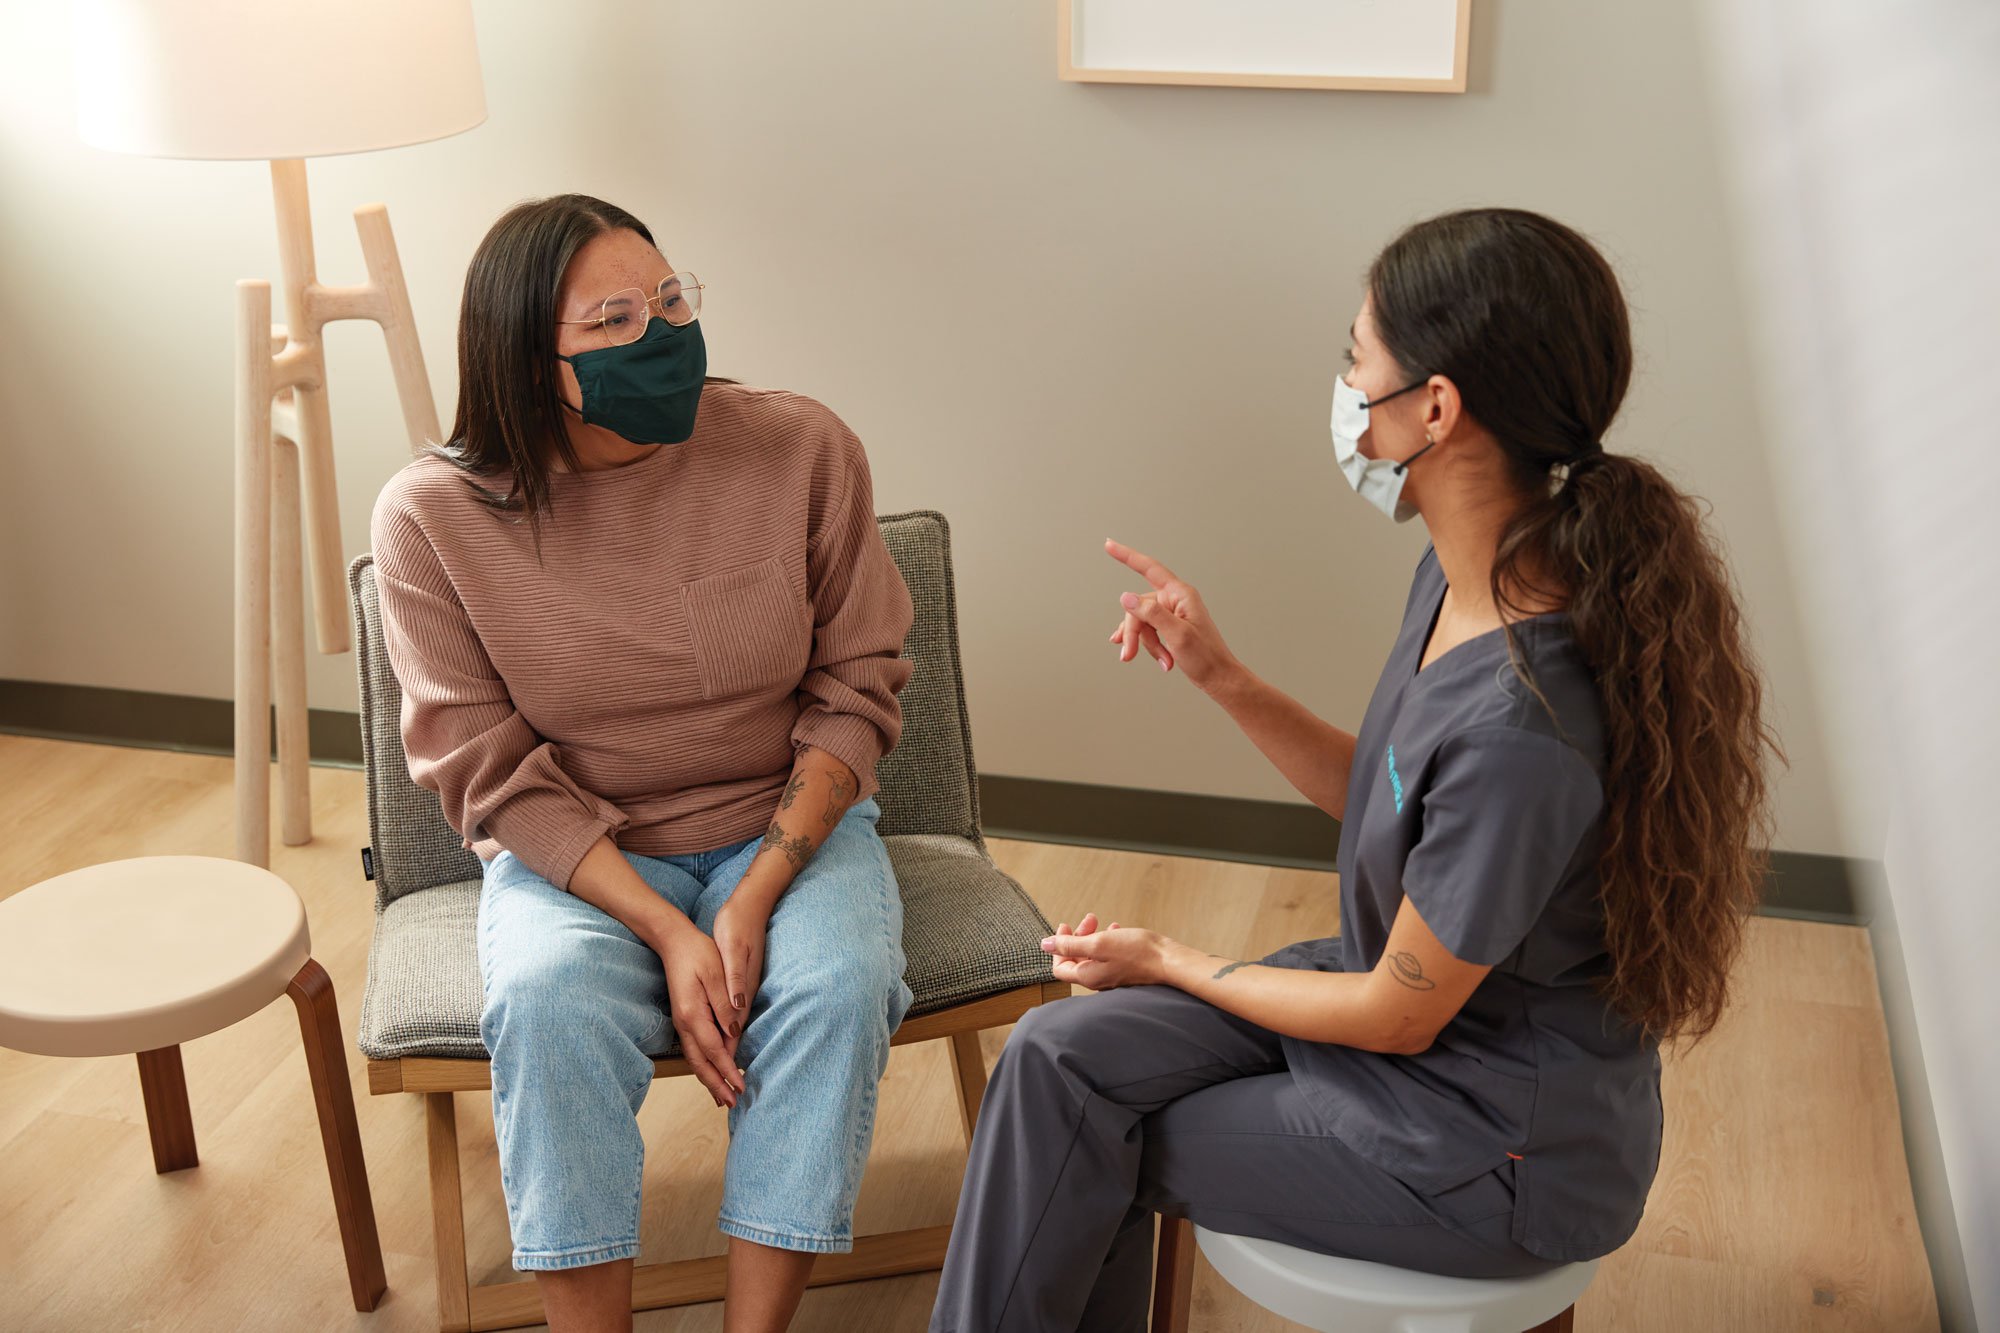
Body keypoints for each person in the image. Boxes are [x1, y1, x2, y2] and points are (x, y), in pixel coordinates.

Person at [930, 207, 1782, 1332]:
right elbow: (1392, 802)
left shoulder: (1526, 719)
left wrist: (1174, 958)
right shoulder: (1465, 583)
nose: (1343, 388)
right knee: (1052, 1058)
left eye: (1355, 359)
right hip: (1412, 1027)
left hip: (1482, 1138)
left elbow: (1395, 1015)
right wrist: (1221, 675)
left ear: (1435, 407)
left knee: (1083, 1126)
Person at [370, 194, 915, 1333]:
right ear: (528, 362)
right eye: (613, 321)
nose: (660, 336)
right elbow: (483, 767)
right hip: (580, 852)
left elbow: (856, 688)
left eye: (670, 300)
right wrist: (669, 929)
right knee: (543, 1000)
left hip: (786, 824)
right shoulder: (431, 517)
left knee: (836, 984)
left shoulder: (799, 447)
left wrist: (758, 888)